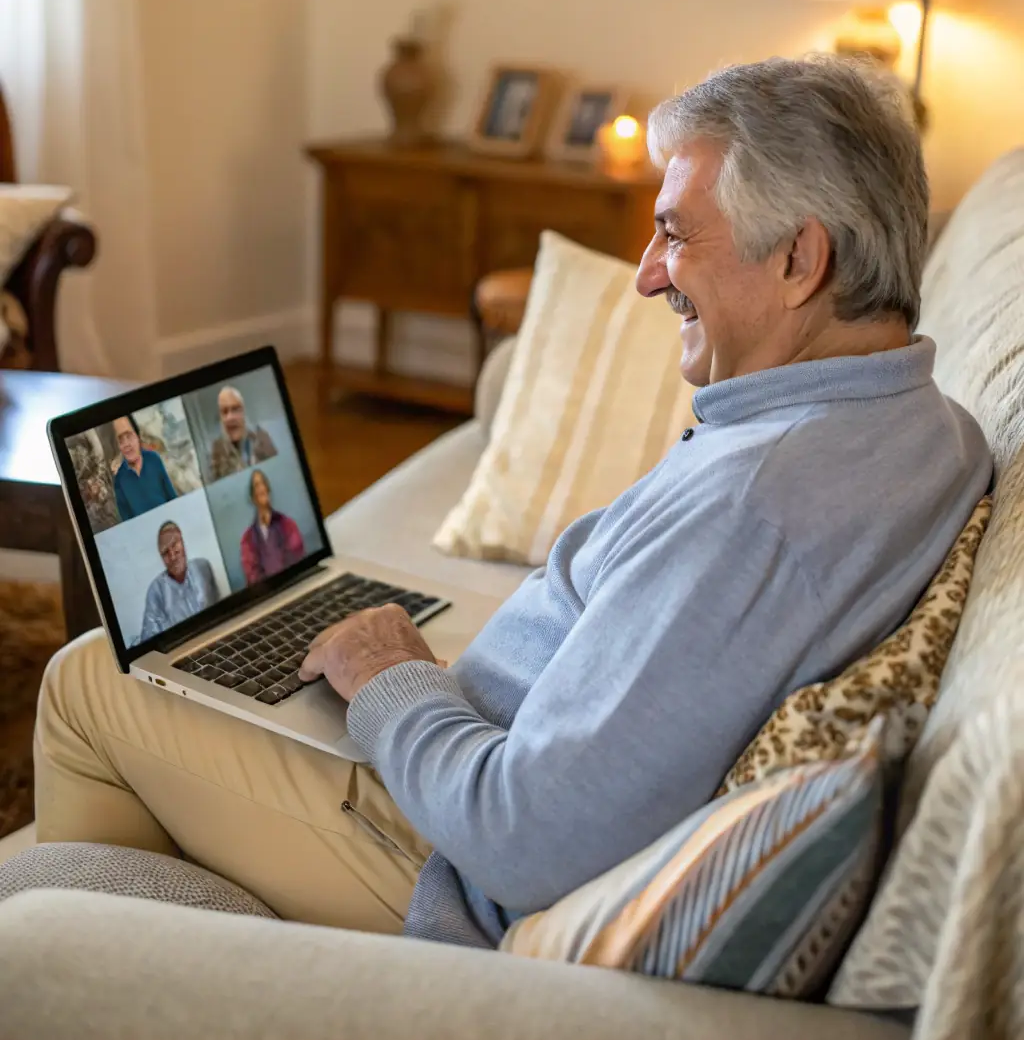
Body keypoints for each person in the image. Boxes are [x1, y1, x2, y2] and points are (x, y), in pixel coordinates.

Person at [35, 56, 992, 946]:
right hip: (468, 750)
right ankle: (172, 944)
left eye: (675, 232)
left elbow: (524, 837)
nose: (650, 273)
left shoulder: (763, 505)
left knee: (88, 681)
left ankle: (96, 962)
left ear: (800, 261)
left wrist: (391, 682)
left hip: (440, 859)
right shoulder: (926, 422)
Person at [138, 522, 220, 643]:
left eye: (175, 545)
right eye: (165, 552)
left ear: (183, 543)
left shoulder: (203, 567)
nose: (172, 556)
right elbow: (147, 640)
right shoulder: (156, 591)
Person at [239, 469, 305, 584]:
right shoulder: (247, 538)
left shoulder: (288, 524)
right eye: (256, 485)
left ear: (268, 490)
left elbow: (297, 558)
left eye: (263, 483)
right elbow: (252, 575)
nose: (261, 488)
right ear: (252, 497)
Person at [112, 415, 177, 522]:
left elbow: (172, 497)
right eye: (121, 440)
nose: (126, 444)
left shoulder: (154, 459)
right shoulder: (119, 479)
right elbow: (127, 521)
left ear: (138, 436)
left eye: (129, 436)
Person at [207, 386, 277, 481]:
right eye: (224, 412)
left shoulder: (262, 438)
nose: (230, 417)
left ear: (243, 412)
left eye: (235, 409)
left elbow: (277, 472)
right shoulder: (217, 449)